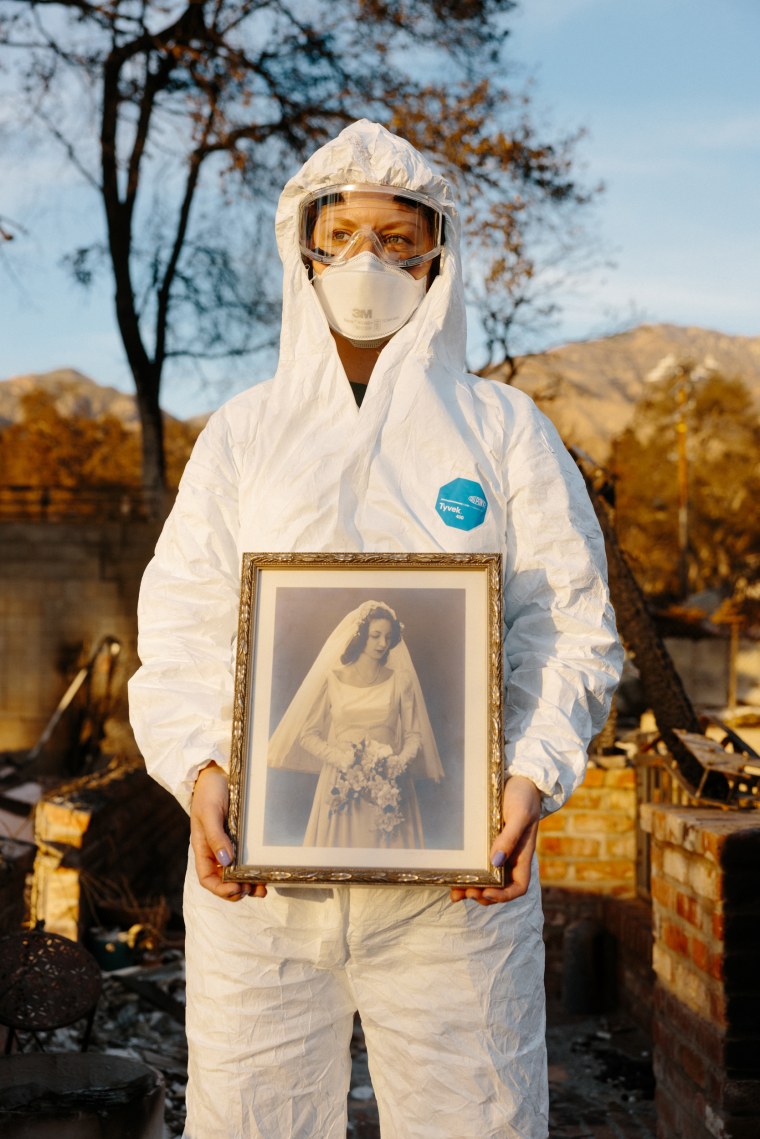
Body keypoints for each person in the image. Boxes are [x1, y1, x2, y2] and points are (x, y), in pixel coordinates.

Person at [129, 119, 623, 1138]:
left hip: (455, 891)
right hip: (261, 885)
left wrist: (527, 776)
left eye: (399, 238)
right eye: (343, 232)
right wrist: (205, 771)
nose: (368, 260)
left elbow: (568, 626)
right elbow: (180, 633)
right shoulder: (245, 435)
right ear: (300, 247)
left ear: (438, 253)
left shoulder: (501, 430)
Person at [267, 600, 444, 848]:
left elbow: (414, 735)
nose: (382, 644)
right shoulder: (333, 679)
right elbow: (308, 735)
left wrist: (397, 763)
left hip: (389, 785)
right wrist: (342, 760)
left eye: (388, 637)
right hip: (340, 783)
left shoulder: (400, 681)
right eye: (375, 636)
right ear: (360, 636)